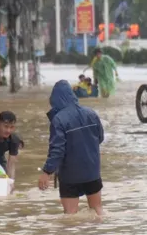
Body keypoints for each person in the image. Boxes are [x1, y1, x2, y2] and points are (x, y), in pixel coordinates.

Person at [39, 79, 107, 215]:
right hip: (92, 172)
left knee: (70, 216)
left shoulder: (58, 119)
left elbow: (57, 151)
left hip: (70, 175)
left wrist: (46, 172)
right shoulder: (91, 113)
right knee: (98, 211)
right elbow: (100, 138)